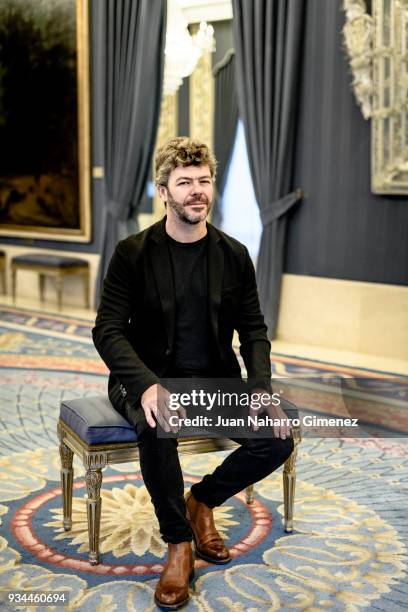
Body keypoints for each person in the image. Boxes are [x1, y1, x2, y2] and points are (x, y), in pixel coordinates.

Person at [93, 137, 293, 610]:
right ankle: (179, 543)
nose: (196, 191)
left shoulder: (234, 254)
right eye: (184, 183)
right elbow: (107, 330)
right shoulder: (132, 253)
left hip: (211, 379)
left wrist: (261, 388)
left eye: (204, 181)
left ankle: (202, 499)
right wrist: (145, 385)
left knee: (278, 437)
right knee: (158, 419)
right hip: (145, 376)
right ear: (164, 191)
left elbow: (254, 331)